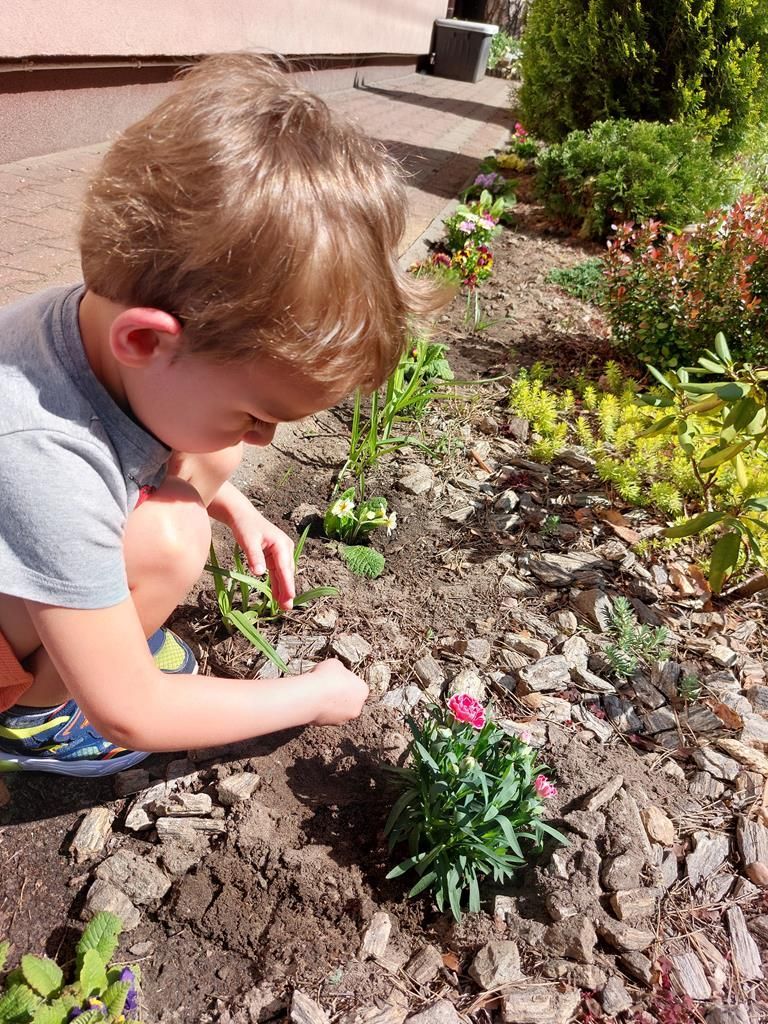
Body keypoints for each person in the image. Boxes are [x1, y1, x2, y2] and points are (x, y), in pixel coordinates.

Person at [0, 53, 444, 776]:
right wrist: (311, 695)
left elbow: (136, 443)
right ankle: (35, 717)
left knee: (212, 453)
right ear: (147, 340)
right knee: (170, 539)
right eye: (256, 412)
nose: (266, 437)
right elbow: (133, 711)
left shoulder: (92, 328)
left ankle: (86, 641)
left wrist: (240, 508)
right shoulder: (40, 452)